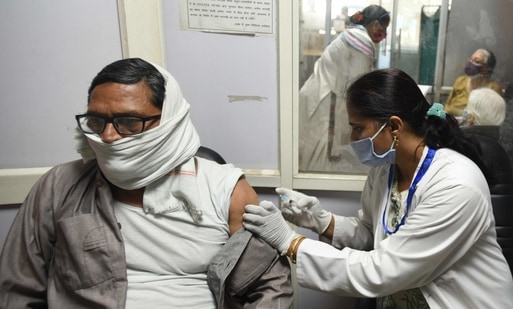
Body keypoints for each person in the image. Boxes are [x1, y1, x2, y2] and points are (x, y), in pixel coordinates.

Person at [0, 58, 293, 308]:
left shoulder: (225, 189)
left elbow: (270, 286)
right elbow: (18, 287)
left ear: (168, 120)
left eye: (129, 121)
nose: (109, 137)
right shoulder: (60, 186)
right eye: (97, 121)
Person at [244, 68, 513, 308]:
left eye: (357, 128)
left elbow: (383, 270)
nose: (352, 139)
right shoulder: (387, 168)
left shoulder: (456, 186)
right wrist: (320, 220)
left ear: (394, 127)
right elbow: (372, 233)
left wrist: (290, 243)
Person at [299, 4, 390, 173]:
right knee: (324, 153)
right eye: (384, 28)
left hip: (317, 94)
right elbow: (359, 84)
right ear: (376, 24)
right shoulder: (362, 40)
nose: (383, 33)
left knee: (312, 149)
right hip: (326, 100)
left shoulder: (351, 34)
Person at [444, 48, 503, 117]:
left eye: (476, 61)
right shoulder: (460, 81)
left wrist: (466, 115)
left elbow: (493, 116)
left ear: (486, 68)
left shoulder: (493, 88)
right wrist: (463, 113)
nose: (471, 64)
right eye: (471, 60)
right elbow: (447, 107)